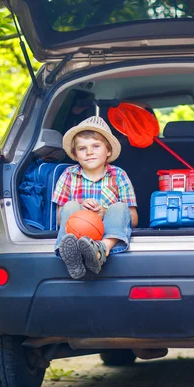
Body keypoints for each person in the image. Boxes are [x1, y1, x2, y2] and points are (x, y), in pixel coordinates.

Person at [52, 116, 138, 279]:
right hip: (77, 234)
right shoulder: (68, 175)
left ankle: (100, 250)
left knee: (120, 207)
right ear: (75, 155)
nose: (89, 152)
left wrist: (104, 212)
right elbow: (59, 218)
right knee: (69, 206)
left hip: (106, 233)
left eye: (96, 146)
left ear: (108, 151)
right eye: (82, 148)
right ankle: (73, 255)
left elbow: (133, 219)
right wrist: (82, 212)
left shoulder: (119, 175)